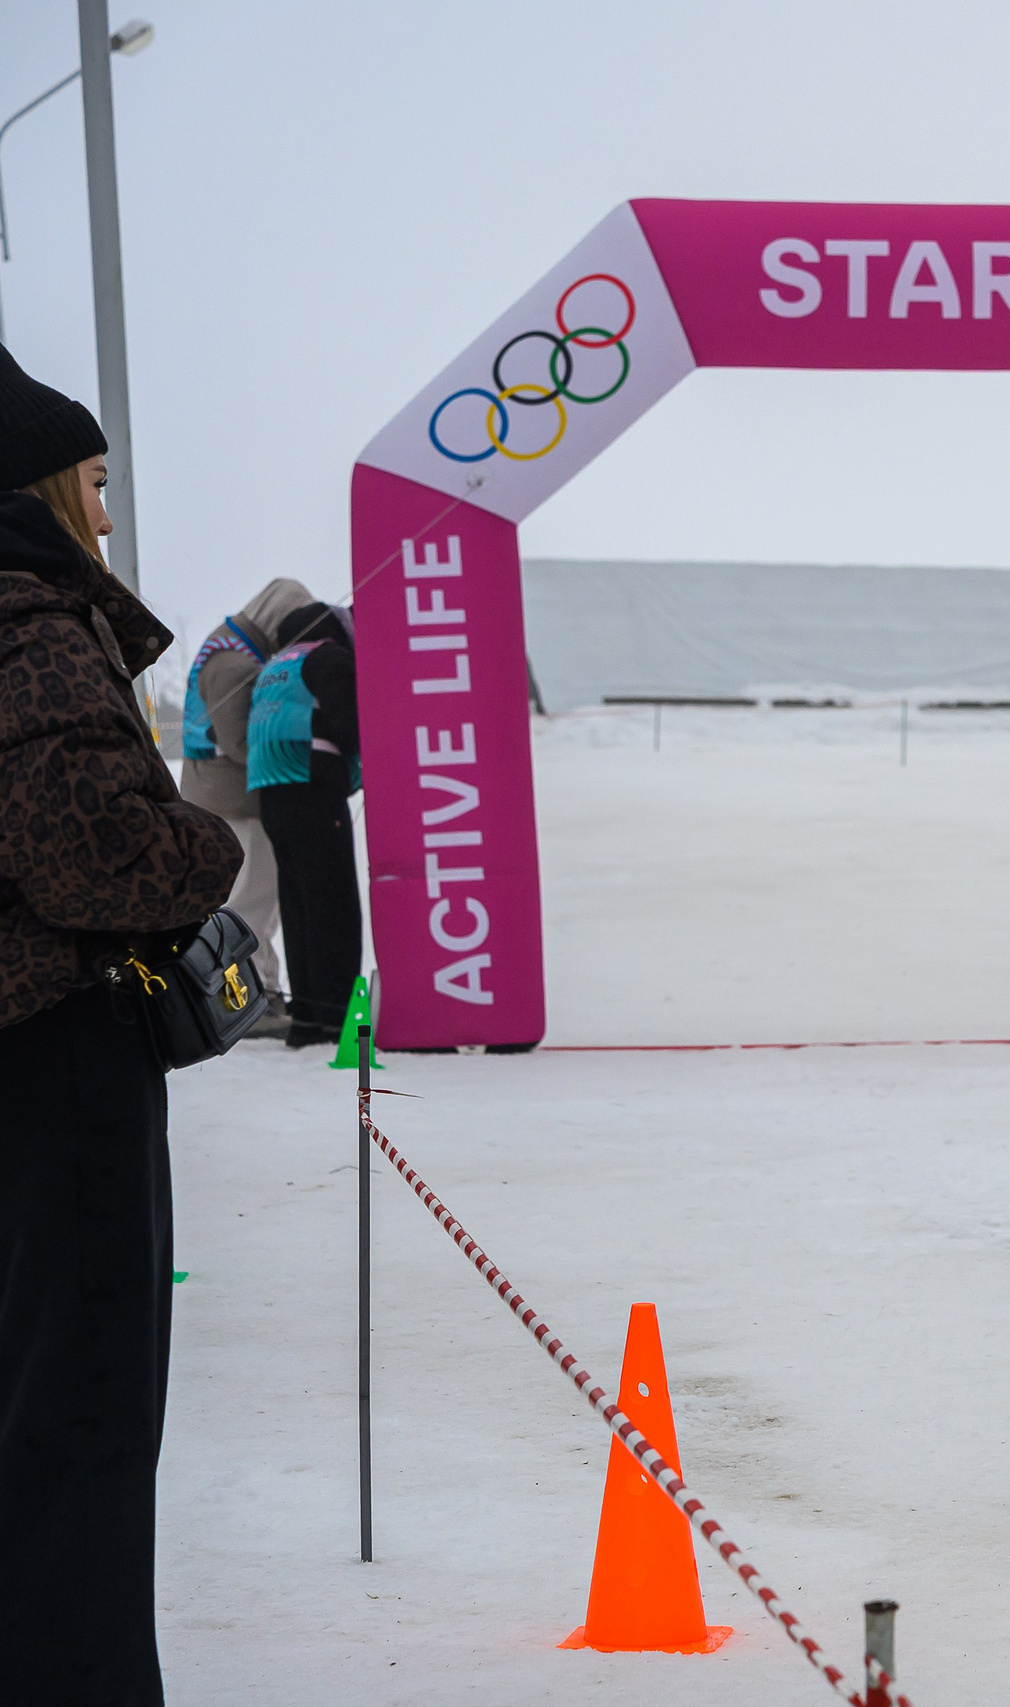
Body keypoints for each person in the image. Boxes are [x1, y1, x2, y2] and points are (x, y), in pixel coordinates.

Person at [0, 344, 243, 1701]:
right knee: (81, 1422)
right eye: (93, 482)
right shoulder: (28, 622)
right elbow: (88, 853)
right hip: (57, 1064)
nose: (104, 513)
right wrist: (204, 850)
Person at [179, 575, 316, 1034]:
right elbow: (240, 741)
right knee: (250, 904)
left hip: (230, 798)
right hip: (235, 802)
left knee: (255, 902)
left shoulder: (229, 647)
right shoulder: (233, 663)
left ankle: (260, 992)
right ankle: (246, 1000)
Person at [246, 599, 362, 1048]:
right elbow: (354, 726)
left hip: (271, 792)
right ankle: (336, 1020)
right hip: (313, 788)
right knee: (333, 905)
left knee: (298, 907)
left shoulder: (275, 667)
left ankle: (309, 1016)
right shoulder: (328, 658)